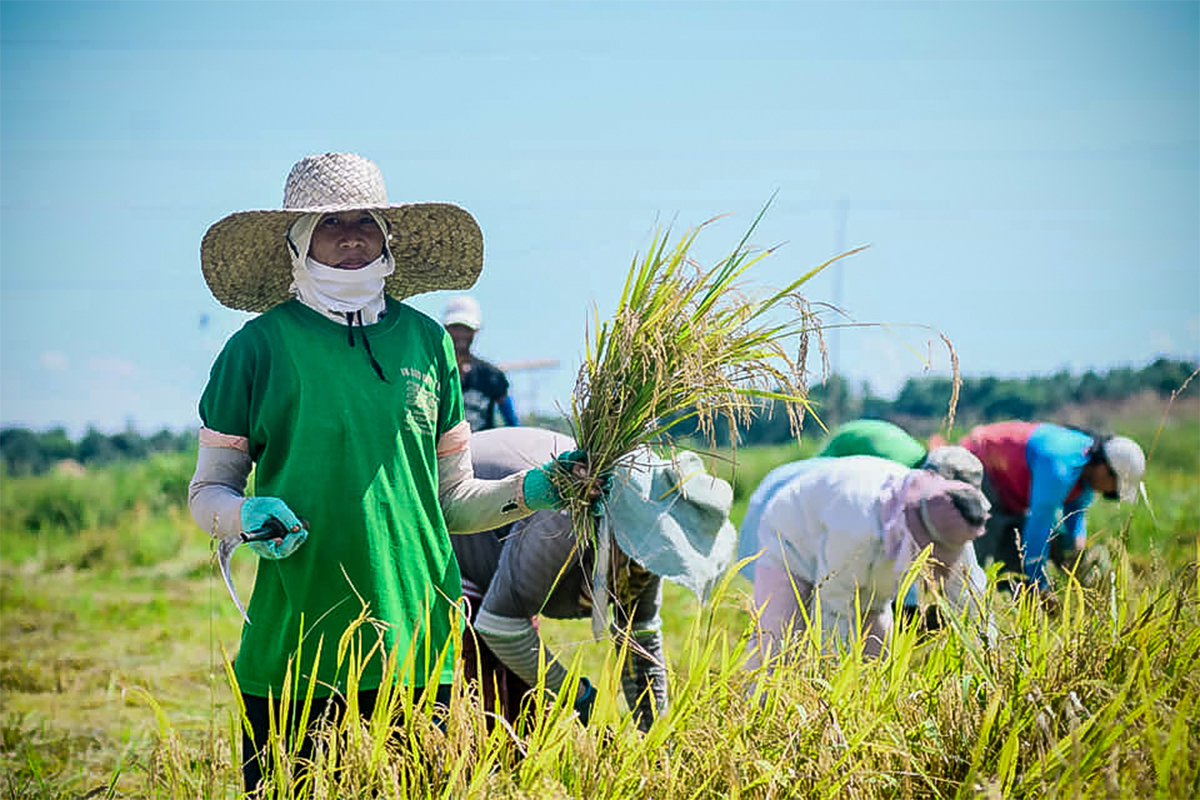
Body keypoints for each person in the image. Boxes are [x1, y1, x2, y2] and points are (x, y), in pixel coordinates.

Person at [188, 152, 599, 794]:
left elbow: (455, 501)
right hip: (298, 647)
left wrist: (533, 490)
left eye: (366, 221)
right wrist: (241, 515)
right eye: (330, 223)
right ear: (298, 242)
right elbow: (207, 489)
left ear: (388, 237)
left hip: (420, 646)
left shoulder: (428, 344)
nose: (351, 235)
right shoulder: (257, 349)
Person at [452, 426, 737, 733]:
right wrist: (577, 695)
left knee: (525, 721)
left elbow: (638, 637)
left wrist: (655, 734)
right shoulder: (570, 515)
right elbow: (499, 624)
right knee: (486, 716)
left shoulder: (647, 544)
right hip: (455, 537)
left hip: (504, 575)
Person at [739, 456, 991, 667]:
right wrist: (830, 691)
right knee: (779, 644)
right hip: (792, 536)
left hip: (862, 543)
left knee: (877, 659)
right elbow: (833, 607)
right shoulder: (855, 524)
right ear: (915, 530)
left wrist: (991, 662)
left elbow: (971, 598)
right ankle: (760, 717)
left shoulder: (952, 518)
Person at [815, 418, 985, 618]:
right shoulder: (897, 488)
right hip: (840, 452)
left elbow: (968, 578)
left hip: (871, 436)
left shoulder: (935, 486)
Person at [958, 421, 1146, 592]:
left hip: (1011, 484)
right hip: (980, 464)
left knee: (1017, 565)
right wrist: (1040, 587)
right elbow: (1038, 528)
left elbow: (1076, 516)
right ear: (1105, 469)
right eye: (1114, 489)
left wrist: (1076, 554)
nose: (1110, 494)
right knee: (984, 548)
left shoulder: (1086, 468)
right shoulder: (1060, 469)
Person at [442, 295, 519, 431]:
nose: (461, 334)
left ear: (475, 331)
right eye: (455, 327)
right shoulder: (435, 372)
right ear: (445, 329)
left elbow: (512, 423)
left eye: (466, 329)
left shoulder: (491, 375)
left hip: (481, 449)